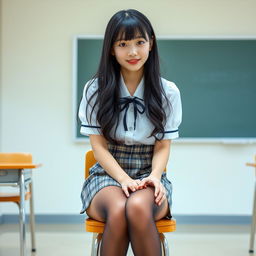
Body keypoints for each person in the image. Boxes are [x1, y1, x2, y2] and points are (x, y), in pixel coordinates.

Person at [78, 9, 182, 256]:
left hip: (150, 173)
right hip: (107, 174)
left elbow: (162, 146)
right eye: (123, 44)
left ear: (151, 44)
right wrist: (124, 179)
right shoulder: (95, 89)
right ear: (111, 49)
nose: (133, 52)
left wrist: (155, 177)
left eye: (140, 42)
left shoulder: (168, 92)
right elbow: (99, 147)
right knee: (118, 208)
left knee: (136, 206)